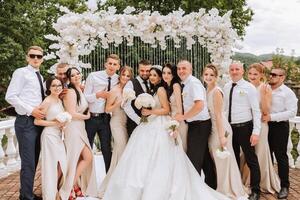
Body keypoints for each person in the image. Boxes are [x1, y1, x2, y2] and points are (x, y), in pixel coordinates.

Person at [103, 66, 230, 200]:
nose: (152, 77)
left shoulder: (162, 89)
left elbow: (166, 110)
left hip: (165, 122)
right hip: (155, 122)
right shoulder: (158, 89)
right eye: (152, 74)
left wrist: (151, 112)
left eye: (155, 75)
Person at [5, 45, 45, 200]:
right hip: (26, 122)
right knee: (28, 162)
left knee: (33, 161)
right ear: (27, 57)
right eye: (32, 55)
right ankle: (27, 197)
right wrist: (31, 110)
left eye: (39, 56)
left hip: (37, 123)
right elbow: (11, 96)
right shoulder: (21, 73)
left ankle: (26, 193)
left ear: (42, 59)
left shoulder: (40, 77)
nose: (35, 58)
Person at [203, 64, 248, 199]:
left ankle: (226, 189)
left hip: (219, 129)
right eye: (206, 74)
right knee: (217, 161)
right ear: (202, 75)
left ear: (216, 77)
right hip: (213, 128)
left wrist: (222, 137)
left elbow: (218, 115)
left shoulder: (216, 91)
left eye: (211, 75)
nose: (208, 77)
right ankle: (222, 186)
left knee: (223, 160)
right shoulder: (207, 89)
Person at [175, 60, 217, 189]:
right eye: (179, 69)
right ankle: (211, 185)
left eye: (184, 68)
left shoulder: (193, 83)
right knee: (203, 157)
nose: (181, 71)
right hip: (195, 125)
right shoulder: (185, 84)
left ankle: (195, 190)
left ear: (190, 70)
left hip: (200, 125)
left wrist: (183, 117)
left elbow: (199, 105)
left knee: (193, 159)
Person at [223, 61, 261, 200]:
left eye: (237, 69)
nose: (234, 71)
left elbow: (256, 111)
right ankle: (236, 187)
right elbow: (224, 109)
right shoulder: (226, 87)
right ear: (229, 71)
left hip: (245, 128)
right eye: (232, 69)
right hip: (230, 129)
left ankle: (256, 190)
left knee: (251, 159)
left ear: (242, 71)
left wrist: (256, 132)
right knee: (233, 159)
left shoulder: (249, 87)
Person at [241, 63, 280, 194]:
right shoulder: (245, 87)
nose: (252, 76)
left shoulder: (265, 88)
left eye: (255, 74)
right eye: (250, 73)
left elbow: (265, 110)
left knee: (259, 152)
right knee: (247, 153)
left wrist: (263, 95)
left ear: (261, 75)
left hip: (260, 125)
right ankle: (246, 179)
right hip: (246, 123)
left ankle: (259, 182)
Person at [60, 67, 97, 200]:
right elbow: (71, 113)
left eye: (78, 74)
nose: (76, 76)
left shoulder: (79, 90)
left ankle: (74, 185)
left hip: (80, 128)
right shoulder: (70, 92)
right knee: (84, 157)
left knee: (82, 158)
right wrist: (87, 117)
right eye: (73, 75)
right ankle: (68, 188)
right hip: (74, 128)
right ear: (69, 79)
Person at [262, 67, 298, 199]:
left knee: (281, 156)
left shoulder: (287, 93)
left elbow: (292, 112)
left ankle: (284, 186)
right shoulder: (264, 88)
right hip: (264, 126)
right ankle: (270, 182)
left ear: (282, 77)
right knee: (267, 154)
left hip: (279, 126)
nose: (271, 76)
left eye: (274, 75)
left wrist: (271, 117)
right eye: (270, 74)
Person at [98, 66, 133, 197]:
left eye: (128, 76)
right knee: (121, 149)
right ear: (120, 76)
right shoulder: (115, 90)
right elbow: (107, 109)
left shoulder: (129, 89)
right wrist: (119, 103)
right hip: (116, 122)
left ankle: (120, 183)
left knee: (122, 151)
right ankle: (110, 185)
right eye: (123, 75)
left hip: (126, 122)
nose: (125, 77)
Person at [84, 54, 120, 172]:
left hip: (106, 118)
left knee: (106, 149)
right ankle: (87, 182)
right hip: (91, 118)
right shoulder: (93, 76)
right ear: (105, 64)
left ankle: (107, 181)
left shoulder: (118, 79)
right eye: (110, 63)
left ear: (118, 67)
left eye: (114, 64)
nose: (112, 66)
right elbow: (85, 97)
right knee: (87, 148)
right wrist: (97, 95)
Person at [34, 77, 67, 200]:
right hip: (49, 136)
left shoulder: (59, 100)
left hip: (58, 136)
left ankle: (58, 192)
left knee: (63, 163)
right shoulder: (47, 101)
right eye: (54, 85)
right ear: (49, 88)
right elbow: (37, 121)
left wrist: (63, 125)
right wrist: (55, 124)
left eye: (59, 85)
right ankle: (51, 196)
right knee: (50, 167)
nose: (57, 87)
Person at [162, 63, 188, 152]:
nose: (166, 75)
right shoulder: (167, 86)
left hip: (179, 121)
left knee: (181, 148)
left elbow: (180, 109)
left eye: (169, 73)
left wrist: (175, 126)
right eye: (164, 73)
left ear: (173, 74)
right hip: (172, 118)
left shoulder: (176, 85)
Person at [123, 60, 151, 136]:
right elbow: (126, 105)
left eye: (147, 71)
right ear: (138, 70)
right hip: (135, 123)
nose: (145, 73)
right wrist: (138, 120)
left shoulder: (152, 82)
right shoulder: (131, 83)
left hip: (151, 124)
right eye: (142, 70)